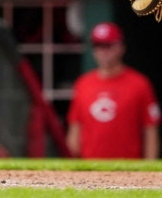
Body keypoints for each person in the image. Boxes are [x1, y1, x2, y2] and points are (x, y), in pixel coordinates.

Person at [66, 22, 160, 159]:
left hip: (128, 166)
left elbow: (150, 129)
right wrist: (73, 164)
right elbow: (75, 128)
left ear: (121, 47)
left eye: (108, 45)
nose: (103, 51)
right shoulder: (83, 84)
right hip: (90, 166)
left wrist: (149, 167)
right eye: (98, 45)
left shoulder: (140, 84)